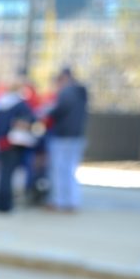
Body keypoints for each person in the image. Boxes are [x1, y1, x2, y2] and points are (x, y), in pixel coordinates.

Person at [0, 72, 37, 213]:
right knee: (8, 174)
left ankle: (0, 200)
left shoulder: (2, 102)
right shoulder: (20, 104)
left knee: (3, 172)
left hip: (2, 141)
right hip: (13, 142)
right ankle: (5, 203)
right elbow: (30, 120)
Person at [44, 67, 88, 212]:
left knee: (59, 170)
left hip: (63, 136)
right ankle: (71, 201)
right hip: (76, 136)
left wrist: (46, 111)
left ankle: (59, 201)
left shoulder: (67, 92)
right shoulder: (80, 93)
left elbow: (57, 111)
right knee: (69, 170)